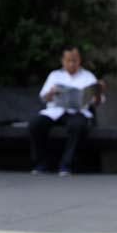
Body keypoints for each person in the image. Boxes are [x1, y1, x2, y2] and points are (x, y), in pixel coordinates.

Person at [28, 44, 104, 176]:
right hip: (55, 111)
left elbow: (97, 103)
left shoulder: (88, 76)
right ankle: (40, 164)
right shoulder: (55, 75)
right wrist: (51, 93)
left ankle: (66, 165)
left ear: (79, 60)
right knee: (36, 124)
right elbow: (43, 97)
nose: (72, 63)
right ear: (62, 61)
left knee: (77, 126)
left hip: (78, 112)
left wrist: (98, 92)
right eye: (69, 60)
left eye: (75, 60)